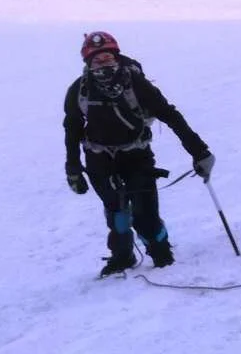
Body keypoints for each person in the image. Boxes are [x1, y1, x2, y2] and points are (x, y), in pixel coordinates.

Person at [64, 31, 216, 277]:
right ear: (88, 64)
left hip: (136, 155)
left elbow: (169, 114)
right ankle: (122, 256)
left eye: (107, 58)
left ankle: (161, 253)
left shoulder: (135, 83)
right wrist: (73, 168)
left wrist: (199, 151)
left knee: (145, 214)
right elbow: (72, 129)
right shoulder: (78, 90)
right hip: (98, 159)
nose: (103, 64)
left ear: (117, 57)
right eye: (97, 61)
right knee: (116, 213)